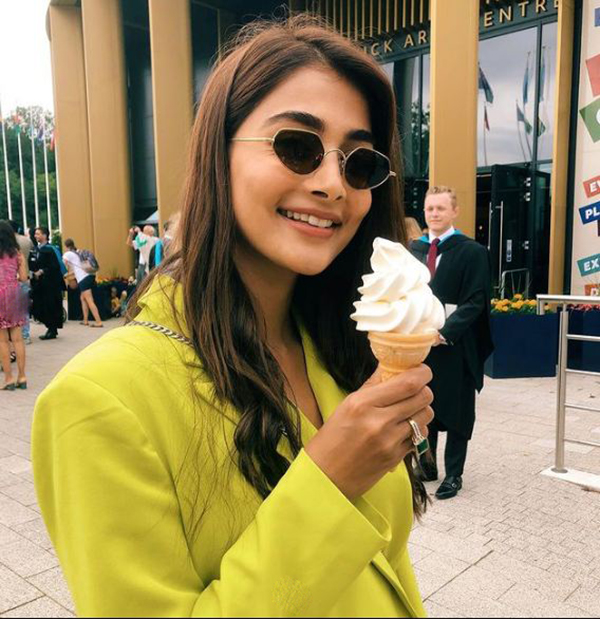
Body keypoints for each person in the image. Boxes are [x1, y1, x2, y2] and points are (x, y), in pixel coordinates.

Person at [32, 16, 435, 618]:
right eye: (297, 146)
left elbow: (387, 565)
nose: (332, 184)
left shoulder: (333, 346)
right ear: (216, 154)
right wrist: (330, 482)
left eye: (358, 163)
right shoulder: (99, 399)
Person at [410, 186, 493, 500]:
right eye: (430, 208)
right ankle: (427, 466)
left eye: (441, 208)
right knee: (423, 406)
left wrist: (444, 333)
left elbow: (476, 300)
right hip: (420, 346)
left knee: (458, 412)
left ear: (454, 211)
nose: (434, 214)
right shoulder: (413, 250)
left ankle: (454, 474)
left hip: (456, 346)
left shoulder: (472, 252)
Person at [0, 221, 28, 390]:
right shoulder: (17, 253)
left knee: (3, 341)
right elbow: (23, 278)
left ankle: (9, 379)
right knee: (18, 339)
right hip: (14, 293)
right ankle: (22, 377)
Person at [29, 227, 65, 340]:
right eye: (35, 234)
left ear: (45, 235)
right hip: (39, 285)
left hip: (50, 285)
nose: (35, 236)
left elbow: (55, 267)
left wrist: (43, 271)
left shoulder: (51, 249)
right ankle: (50, 327)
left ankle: (52, 329)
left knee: (51, 306)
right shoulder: (35, 250)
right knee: (38, 307)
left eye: (38, 234)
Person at [62, 239, 103, 328]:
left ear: (66, 246)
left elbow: (62, 264)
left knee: (89, 300)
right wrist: (68, 275)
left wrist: (64, 273)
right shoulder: (78, 252)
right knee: (83, 298)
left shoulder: (68, 254)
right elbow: (77, 269)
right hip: (90, 276)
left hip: (83, 279)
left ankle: (98, 321)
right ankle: (85, 320)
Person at [8, 221, 33, 345]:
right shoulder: (26, 240)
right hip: (25, 275)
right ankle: (25, 334)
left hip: (9, 281)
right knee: (23, 310)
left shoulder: (7, 244)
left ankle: (12, 336)